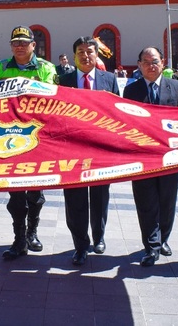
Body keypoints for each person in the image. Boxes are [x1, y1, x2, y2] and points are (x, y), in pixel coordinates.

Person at [0, 25, 57, 259]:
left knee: (35, 194)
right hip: (8, 138)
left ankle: (33, 233)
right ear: (11, 46)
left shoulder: (46, 68)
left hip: (37, 138)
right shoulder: (0, 68)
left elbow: (49, 100)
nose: (19, 46)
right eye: (15, 42)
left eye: (23, 42)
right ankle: (19, 239)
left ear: (33, 45)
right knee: (15, 195)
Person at [123, 47, 178, 267]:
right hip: (142, 157)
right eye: (145, 62)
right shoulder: (131, 91)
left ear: (162, 62)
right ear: (139, 65)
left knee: (167, 201)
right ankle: (151, 246)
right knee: (145, 202)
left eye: (154, 61)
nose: (150, 65)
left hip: (170, 156)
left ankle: (163, 238)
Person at [58, 36, 119, 265]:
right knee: (75, 200)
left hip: (100, 149)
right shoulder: (63, 80)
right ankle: (80, 245)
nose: (86, 55)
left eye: (90, 51)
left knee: (100, 196)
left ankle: (99, 237)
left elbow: (117, 113)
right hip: (72, 150)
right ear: (74, 55)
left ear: (97, 54)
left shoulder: (109, 80)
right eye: (81, 51)